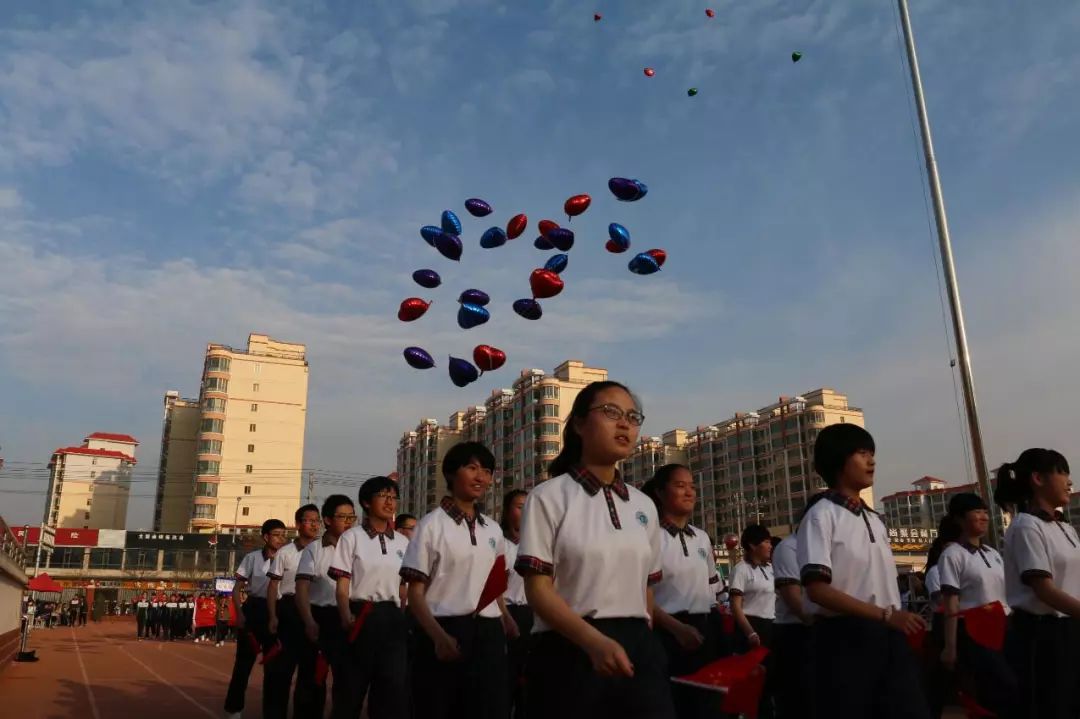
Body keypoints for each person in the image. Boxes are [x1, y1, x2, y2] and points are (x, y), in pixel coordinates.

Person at [516, 381, 675, 719]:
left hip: (636, 649)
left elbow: (646, 586)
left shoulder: (643, 505)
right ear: (578, 424)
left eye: (633, 417)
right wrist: (592, 641)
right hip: (569, 649)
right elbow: (537, 588)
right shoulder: (548, 497)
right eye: (611, 412)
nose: (624, 424)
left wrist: (642, 642)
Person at [797, 423, 929, 719]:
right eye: (861, 453)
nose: (872, 461)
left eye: (872, 453)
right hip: (844, 638)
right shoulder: (821, 515)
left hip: (888, 635)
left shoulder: (875, 519)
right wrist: (884, 615)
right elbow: (817, 589)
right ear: (838, 460)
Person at [402, 442, 514, 719]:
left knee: (490, 706)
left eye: (486, 471)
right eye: (472, 468)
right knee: (441, 706)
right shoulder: (431, 525)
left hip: (487, 633)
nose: (481, 477)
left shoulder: (493, 530)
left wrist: (505, 618)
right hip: (444, 629)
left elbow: (494, 585)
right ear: (452, 473)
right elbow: (416, 593)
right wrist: (438, 637)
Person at [995, 449, 1079, 719]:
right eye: (1062, 472)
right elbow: (1044, 589)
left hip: (1070, 627)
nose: (1069, 481)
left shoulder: (1065, 527)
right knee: (1050, 706)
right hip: (1042, 637)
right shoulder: (1026, 526)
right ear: (1038, 479)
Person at [642, 464, 720, 719]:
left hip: (703, 630)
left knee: (707, 707)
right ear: (661, 493)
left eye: (692, 486)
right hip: (667, 634)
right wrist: (677, 628)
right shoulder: (650, 537)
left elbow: (711, 589)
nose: (689, 492)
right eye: (680, 485)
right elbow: (640, 593)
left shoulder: (702, 538)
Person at [330, 478, 410, 719]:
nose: (389, 502)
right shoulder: (351, 538)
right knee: (351, 690)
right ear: (366, 502)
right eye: (382, 496)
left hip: (393, 619)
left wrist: (403, 615)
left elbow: (403, 587)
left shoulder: (403, 542)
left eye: (393, 497)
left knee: (391, 690)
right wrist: (346, 615)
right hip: (361, 615)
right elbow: (342, 584)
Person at [937, 492, 1018, 717]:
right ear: (960, 519)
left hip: (1005, 626)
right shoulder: (952, 555)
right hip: (977, 631)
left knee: (1011, 689)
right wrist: (950, 646)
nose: (983, 517)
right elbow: (951, 602)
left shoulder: (992, 553)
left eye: (985, 512)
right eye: (976, 512)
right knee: (999, 688)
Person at [295, 494, 355, 719]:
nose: (349, 522)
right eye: (343, 517)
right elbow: (302, 589)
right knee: (312, 680)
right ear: (328, 520)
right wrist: (309, 621)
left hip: (348, 619)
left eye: (352, 517)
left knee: (347, 681)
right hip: (320, 618)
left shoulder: (359, 546)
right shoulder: (315, 550)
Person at [224, 518, 288, 719]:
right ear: (265, 537)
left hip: (277, 612)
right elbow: (237, 589)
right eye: (276, 534)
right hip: (254, 609)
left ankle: (272, 712)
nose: (281, 539)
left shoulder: (288, 557)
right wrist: (240, 614)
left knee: (274, 668)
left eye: (283, 535)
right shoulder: (252, 558)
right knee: (243, 664)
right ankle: (234, 709)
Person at [266, 504, 321, 719]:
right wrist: (273, 616)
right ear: (298, 524)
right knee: (282, 671)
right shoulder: (285, 553)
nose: (315, 524)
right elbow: (273, 587)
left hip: (315, 611)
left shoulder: (324, 550)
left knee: (311, 672)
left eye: (317, 520)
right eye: (309, 520)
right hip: (288, 612)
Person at [729, 523, 776, 719]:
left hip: (770, 627)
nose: (770, 546)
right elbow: (736, 607)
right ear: (752, 545)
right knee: (749, 686)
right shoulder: (742, 569)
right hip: (751, 629)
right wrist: (750, 632)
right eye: (766, 541)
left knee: (768, 684)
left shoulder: (771, 568)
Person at [923, 517, 961, 719]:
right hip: (943, 625)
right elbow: (941, 600)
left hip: (961, 622)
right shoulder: (936, 572)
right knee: (941, 679)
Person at [771, 529, 811, 719]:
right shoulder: (788, 548)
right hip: (793, 631)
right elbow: (795, 602)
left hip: (818, 629)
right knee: (794, 697)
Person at [501, 489, 531, 719]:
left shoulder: (538, 543)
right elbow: (495, 590)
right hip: (507, 615)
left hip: (535, 615)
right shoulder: (501, 544)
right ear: (507, 511)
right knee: (506, 680)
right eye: (520, 506)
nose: (525, 511)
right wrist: (506, 619)